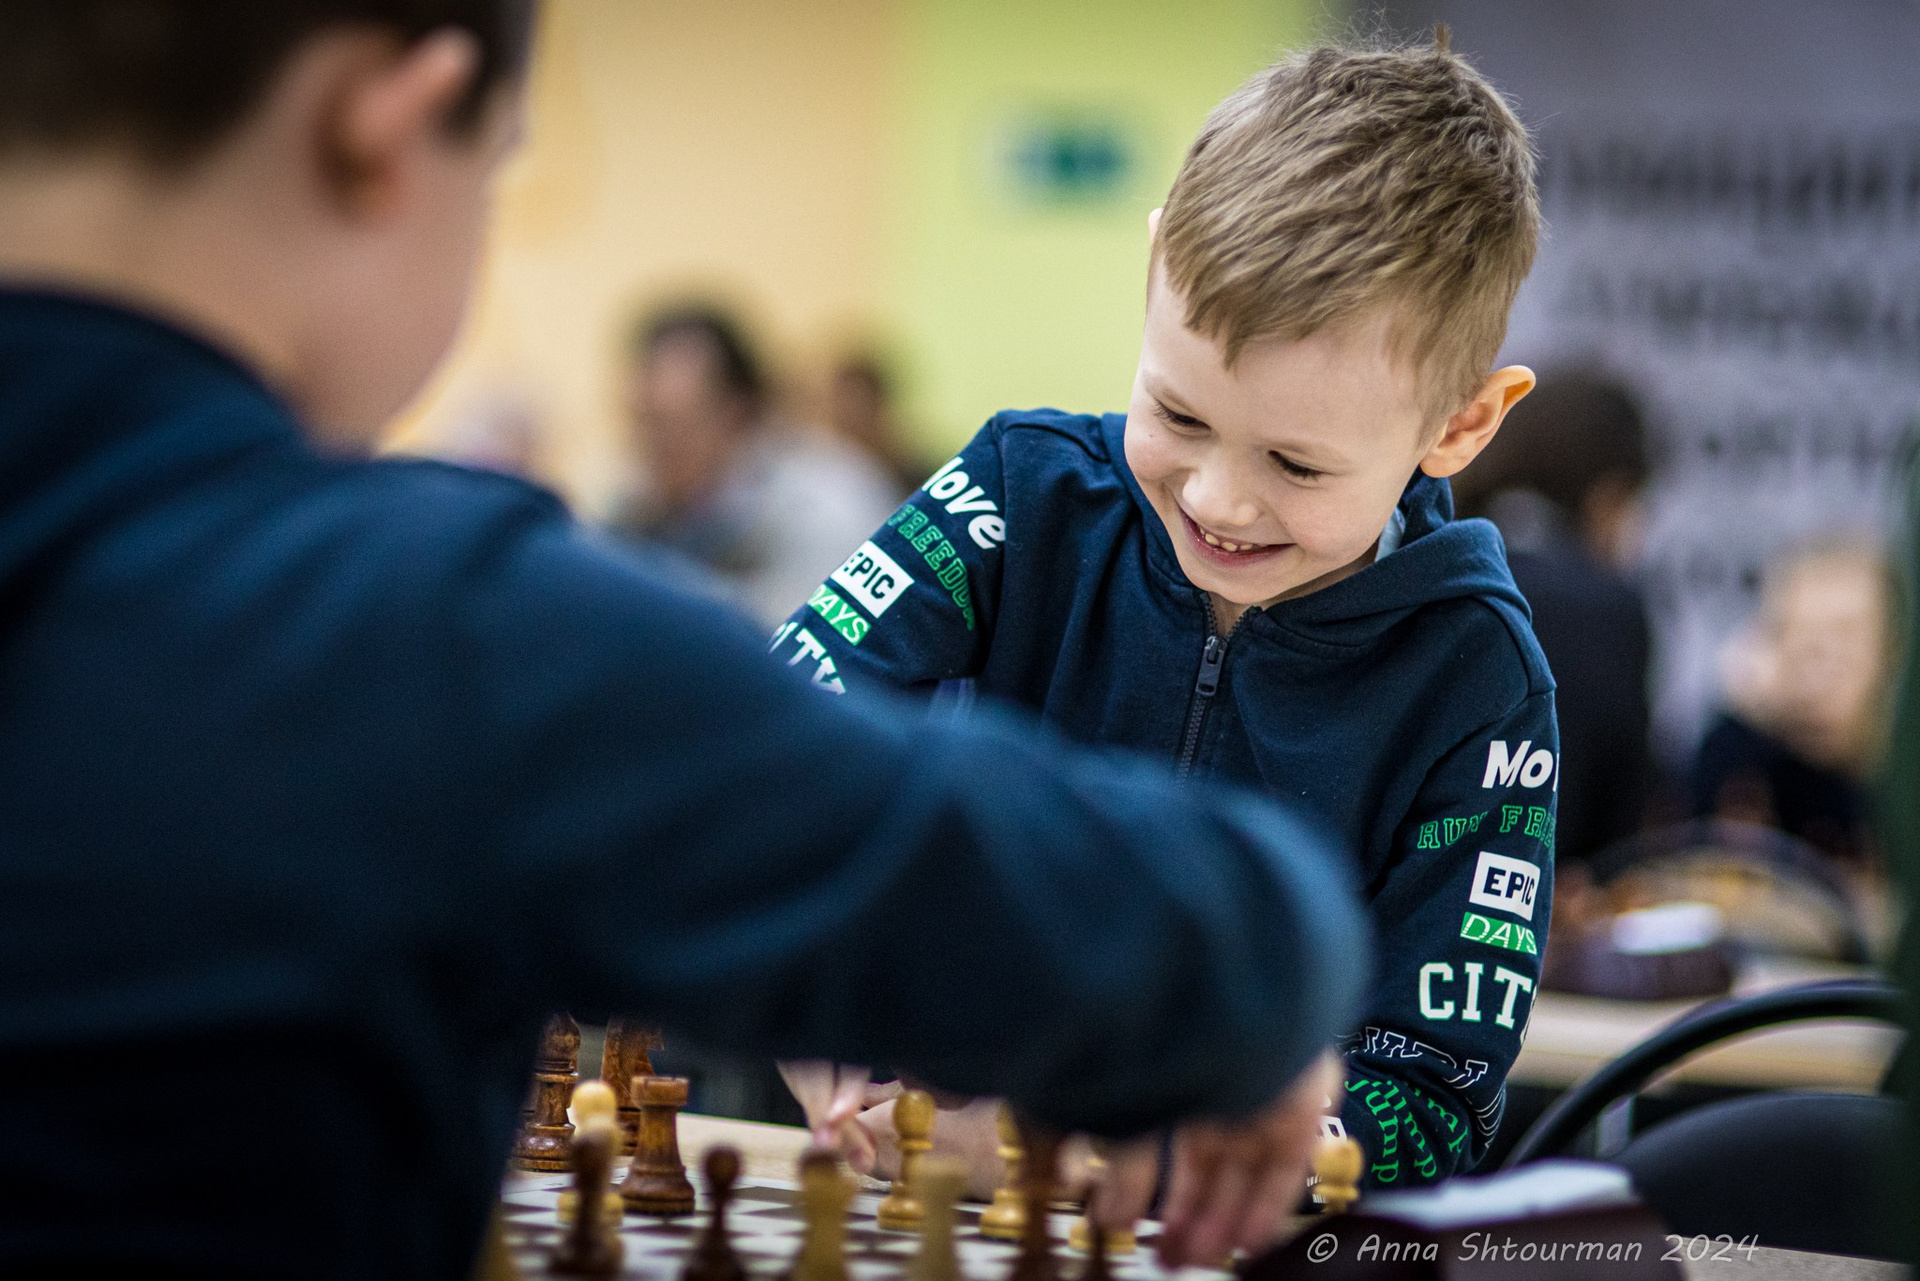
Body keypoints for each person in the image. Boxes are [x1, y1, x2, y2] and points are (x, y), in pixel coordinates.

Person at [0, 3, 1369, 1276]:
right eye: (501, 164)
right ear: (386, 125)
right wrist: (1257, 977)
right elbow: (1179, 926)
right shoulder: (424, 629)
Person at [778, 35, 1555, 1191]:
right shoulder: (1017, 495)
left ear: (1461, 426)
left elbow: (1437, 1099)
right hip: (920, 1208)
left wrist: (1114, 1153)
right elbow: (769, 734)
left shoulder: (1479, 680)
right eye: (1179, 417)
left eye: (1297, 463)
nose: (1218, 500)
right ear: (1154, 272)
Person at [1453, 372, 1655, 866]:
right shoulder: (1608, 609)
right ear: (1609, 495)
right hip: (1546, 891)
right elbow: (1619, 821)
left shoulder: (1426, 559)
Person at [612, 305, 900, 625]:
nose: (650, 447)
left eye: (669, 425)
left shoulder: (829, 502)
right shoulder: (631, 507)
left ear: (737, 412)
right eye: (641, 423)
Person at [1693, 540, 1897, 865]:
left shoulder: (1898, 783)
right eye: (1795, 634)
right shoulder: (1739, 765)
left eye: (1846, 637)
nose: (1817, 672)